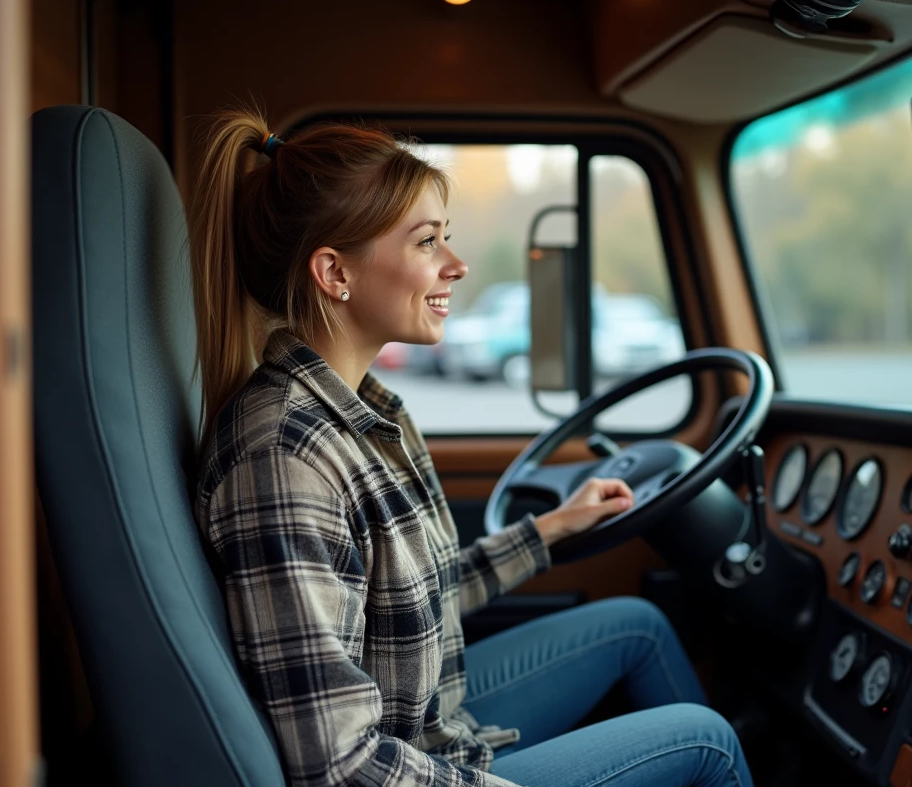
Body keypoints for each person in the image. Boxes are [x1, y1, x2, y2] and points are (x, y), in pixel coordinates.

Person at [189, 107, 754, 787]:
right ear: (335, 273)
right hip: (407, 764)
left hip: (429, 723)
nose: (457, 265)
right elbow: (336, 764)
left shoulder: (368, 411)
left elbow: (410, 599)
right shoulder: (285, 460)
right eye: (427, 242)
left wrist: (550, 529)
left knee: (636, 625)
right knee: (709, 743)